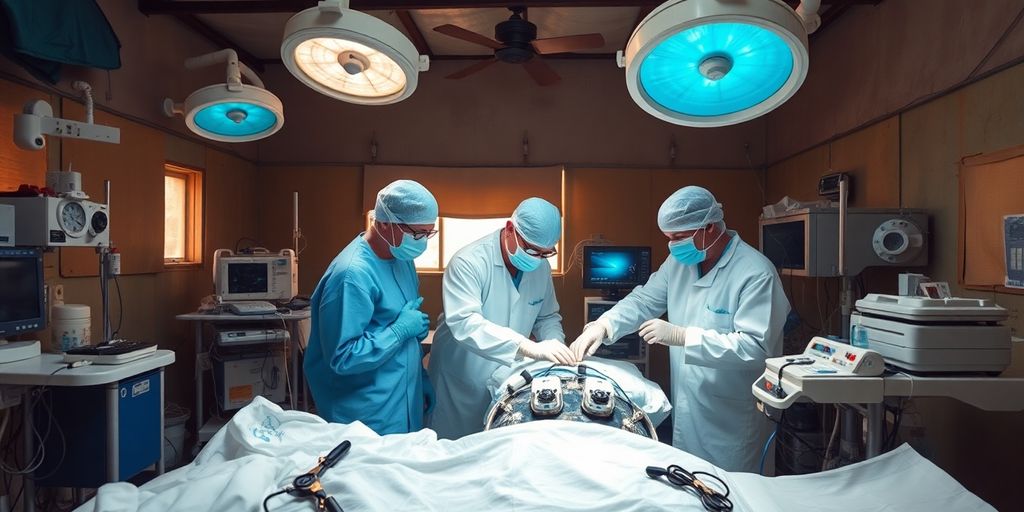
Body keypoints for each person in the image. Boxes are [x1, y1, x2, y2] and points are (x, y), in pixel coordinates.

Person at [569, 186, 789, 472]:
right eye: (668, 238)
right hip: (690, 410)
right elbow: (644, 300)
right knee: (690, 486)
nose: (672, 245)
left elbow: (756, 348)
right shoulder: (679, 263)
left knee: (735, 492)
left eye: (678, 237)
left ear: (709, 227)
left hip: (734, 419)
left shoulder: (755, 273)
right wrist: (604, 325)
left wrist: (684, 337)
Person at [428, 197, 573, 439]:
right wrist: (525, 346)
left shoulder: (540, 267)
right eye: (531, 250)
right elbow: (466, 323)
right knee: (455, 451)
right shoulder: (469, 262)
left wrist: (554, 345)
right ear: (509, 229)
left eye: (545, 253)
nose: (537, 258)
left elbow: (546, 316)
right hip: (462, 379)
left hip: (508, 378)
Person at [304, 180, 438, 435]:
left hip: (403, 399)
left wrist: (421, 378)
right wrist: (398, 331)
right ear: (384, 222)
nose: (423, 242)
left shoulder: (401, 258)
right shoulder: (352, 276)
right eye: (418, 233)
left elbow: (396, 326)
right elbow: (343, 357)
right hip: (366, 413)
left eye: (429, 233)